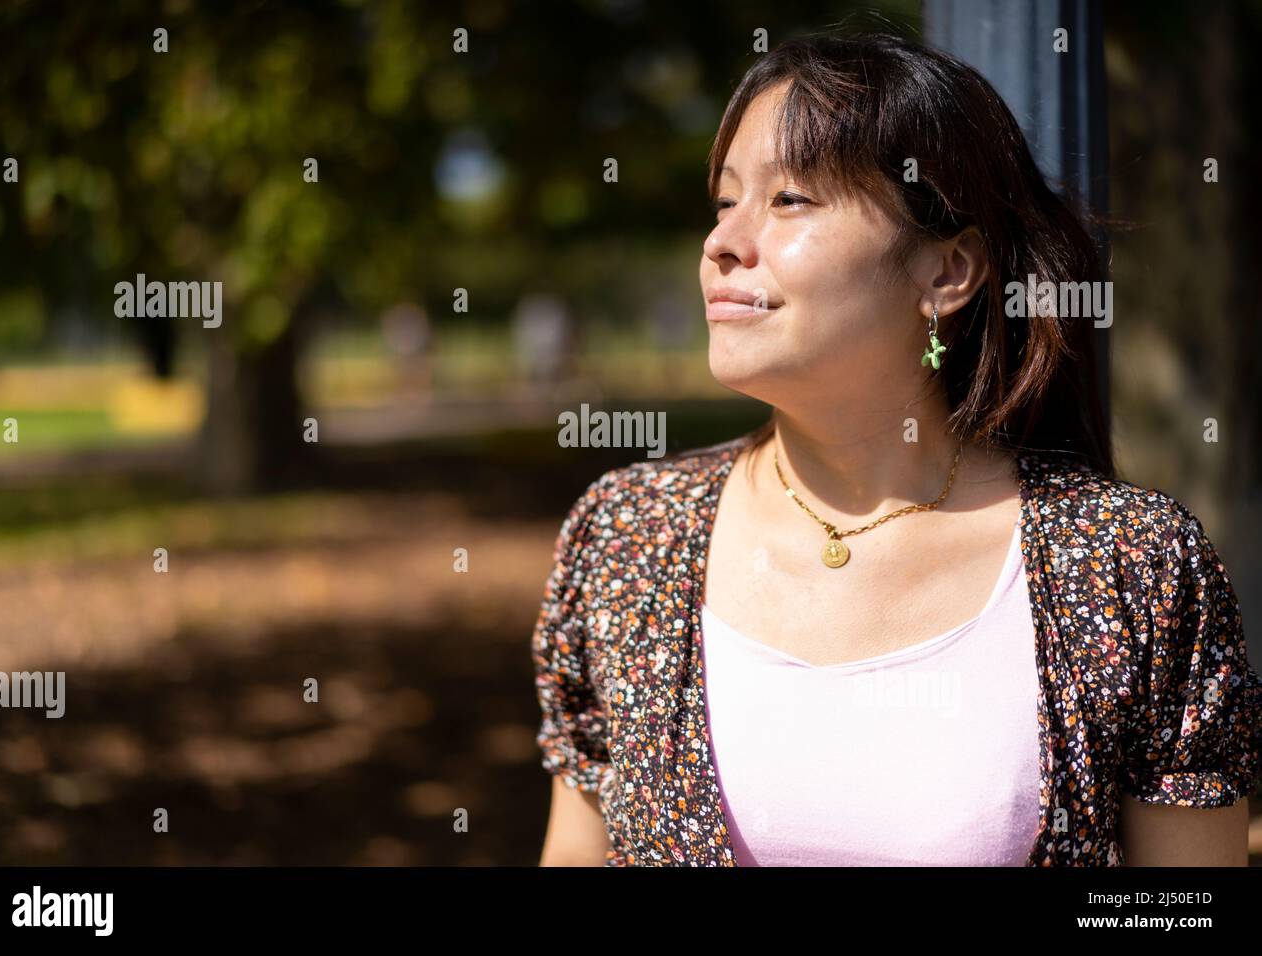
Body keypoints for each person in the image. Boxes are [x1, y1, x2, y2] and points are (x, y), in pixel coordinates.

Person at [532, 32, 1262, 866]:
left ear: (947, 271)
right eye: (726, 201)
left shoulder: (1130, 564)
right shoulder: (627, 538)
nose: (724, 242)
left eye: (790, 200)